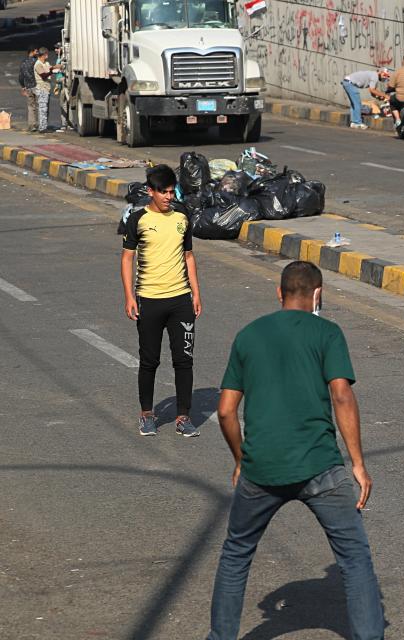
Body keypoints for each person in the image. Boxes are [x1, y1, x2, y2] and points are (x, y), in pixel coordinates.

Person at [208, 261, 384, 640]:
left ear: (279, 293)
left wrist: (241, 461)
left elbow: (225, 411)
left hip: (261, 470)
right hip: (321, 468)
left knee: (237, 554)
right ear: (318, 294)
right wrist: (358, 464)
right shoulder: (328, 333)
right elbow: (341, 395)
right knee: (354, 559)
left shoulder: (249, 335)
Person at [121, 164, 202, 437]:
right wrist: (130, 296)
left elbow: (188, 256)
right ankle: (147, 414)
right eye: (163, 192)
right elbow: (127, 258)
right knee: (149, 360)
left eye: (171, 191)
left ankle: (183, 417)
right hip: (149, 300)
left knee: (184, 360)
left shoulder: (182, 218)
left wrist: (196, 293)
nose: (169, 197)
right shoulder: (138, 220)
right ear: (150, 191)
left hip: (180, 300)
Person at [33, 47, 58, 133]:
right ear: (42, 55)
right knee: (42, 108)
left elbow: (50, 67)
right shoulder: (38, 64)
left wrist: (56, 67)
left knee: (45, 108)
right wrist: (52, 72)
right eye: (46, 54)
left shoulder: (46, 63)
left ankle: (44, 125)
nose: (47, 56)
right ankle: (42, 128)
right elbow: (43, 75)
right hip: (41, 88)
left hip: (46, 88)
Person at [18, 47, 38, 132]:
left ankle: (32, 125)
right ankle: (41, 124)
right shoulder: (36, 62)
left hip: (28, 87)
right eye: (36, 51)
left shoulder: (24, 62)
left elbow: (21, 76)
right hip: (37, 86)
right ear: (32, 52)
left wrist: (23, 86)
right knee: (40, 105)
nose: (37, 52)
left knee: (31, 106)